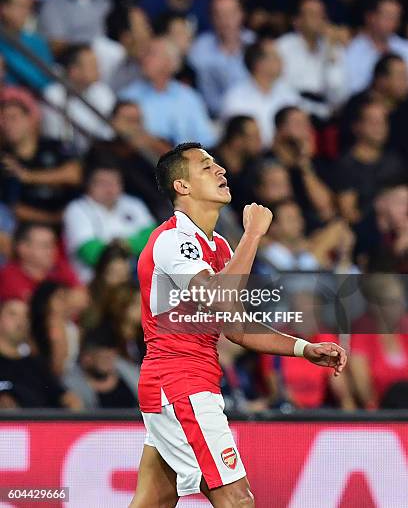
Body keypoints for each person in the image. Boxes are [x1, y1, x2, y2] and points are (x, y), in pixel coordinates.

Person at [130, 141, 346, 506]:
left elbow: (238, 327)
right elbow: (218, 297)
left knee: (154, 500)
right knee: (237, 499)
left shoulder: (219, 248)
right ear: (181, 186)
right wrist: (253, 235)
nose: (221, 170)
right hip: (179, 381)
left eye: (217, 164)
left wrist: (303, 348)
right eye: (206, 166)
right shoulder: (173, 240)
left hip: (185, 381)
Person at [63, 159, 156, 282]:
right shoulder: (76, 209)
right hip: (96, 283)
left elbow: (155, 239)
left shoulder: (133, 203)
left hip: (137, 278)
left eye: (114, 182)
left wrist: (122, 244)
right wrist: (134, 244)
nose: (109, 189)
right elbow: (92, 254)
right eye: (103, 183)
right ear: (89, 185)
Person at [0, 86, 82, 225]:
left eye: (13, 118)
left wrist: (28, 176)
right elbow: (14, 208)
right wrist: (53, 219)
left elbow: (75, 174)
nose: (8, 124)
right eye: (3, 120)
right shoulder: (5, 160)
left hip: (71, 220)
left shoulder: (54, 145)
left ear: (30, 119)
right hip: (32, 229)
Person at [118, 36, 216, 147]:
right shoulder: (128, 96)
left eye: (152, 54)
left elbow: (207, 140)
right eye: (145, 54)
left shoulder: (189, 97)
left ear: (170, 62)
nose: (144, 59)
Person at [85, 101, 171, 220]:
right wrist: (130, 145)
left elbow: (179, 161)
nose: (134, 125)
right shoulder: (102, 148)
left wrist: (151, 143)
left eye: (138, 120)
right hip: (122, 207)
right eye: (128, 120)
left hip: (159, 203)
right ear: (114, 122)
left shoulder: (153, 143)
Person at [0, 297, 82, 409]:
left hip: (37, 425)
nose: (21, 320)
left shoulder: (36, 365)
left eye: (26, 316)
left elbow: (67, 398)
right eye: (13, 314)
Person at [222, 37, 300, 147]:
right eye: (276, 57)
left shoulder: (288, 93)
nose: (282, 61)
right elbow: (237, 137)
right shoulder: (236, 96)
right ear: (259, 64)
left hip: (284, 154)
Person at [276, 0, 349, 113]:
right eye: (312, 14)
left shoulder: (333, 47)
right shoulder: (283, 47)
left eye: (321, 15)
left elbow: (338, 95)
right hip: (294, 110)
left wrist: (331, 53)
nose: (319, 20)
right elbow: (281, 89)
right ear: (297, 21)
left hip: (325, 113)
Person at [336, 102, 405, 224]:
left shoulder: (395, 160)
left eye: (383, 122)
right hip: (369, 229)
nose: (379, 127)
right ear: (357, 127)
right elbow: (348, 213)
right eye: (373, 122)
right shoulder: (346, 165)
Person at [189, 0, 254, 116]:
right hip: (214, 116)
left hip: (253, 112)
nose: (225, 20)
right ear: (211, 18)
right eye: (219, 15)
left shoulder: (255, 43)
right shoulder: (199, 49)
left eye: (230, 14)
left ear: (241, 14)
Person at [269, 106, 336, 227]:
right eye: (298, 124)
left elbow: (325, 207)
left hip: (309, 224)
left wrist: (304, 165)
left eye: (307, 123)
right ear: (281, 128)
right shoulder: (267, 163)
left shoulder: (315, 164)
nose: (306, 129)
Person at [42, 44, 116, 151]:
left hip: (99, 152)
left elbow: (109, 131)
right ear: (74, 71)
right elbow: (54, 136)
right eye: (92, 65)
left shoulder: (102, 90)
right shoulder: (53, 95)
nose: (98, 69)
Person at [350, 274, 408, 409]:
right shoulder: (362, 337)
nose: (399, 308)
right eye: (393, 302)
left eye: (401, 302)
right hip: (382, 414)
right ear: (376, 306)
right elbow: (363, 387)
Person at [0, 222, 82, 304]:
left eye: (53, 245)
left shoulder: (60, 266)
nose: (52, 251)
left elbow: (82, 297)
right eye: (45, 246)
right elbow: (36, 309)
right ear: (23, 248)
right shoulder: (9, 276)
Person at [63, 325, 139, 409]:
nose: (109, 356)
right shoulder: (71, 387)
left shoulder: (130, 376)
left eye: (111, 353)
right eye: (103, 356)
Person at [345, 0, 408, 95]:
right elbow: (352, 88)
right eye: (388, 16)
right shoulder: (352, 50)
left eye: (396, 17)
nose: (393, 22)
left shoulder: (405, 48)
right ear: (370, 17)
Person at [0, 0, 53, 91]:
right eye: (21, 6)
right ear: (3, 8)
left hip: (34, 100)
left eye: (28, 7)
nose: (26, 12)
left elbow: (44, 81)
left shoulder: (38, 42)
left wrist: (7, 56)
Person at [211, 116, 263, 215]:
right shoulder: (208, 164)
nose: (260, 141)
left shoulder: (253, 166)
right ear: (237, 140)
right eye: (254, 136)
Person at [30, 280, 81, 377]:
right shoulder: (33, 326)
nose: (65, 303)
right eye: (60, 298)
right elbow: (56, 366)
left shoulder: (71, 327)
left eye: (66, 298)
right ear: (45, 300)